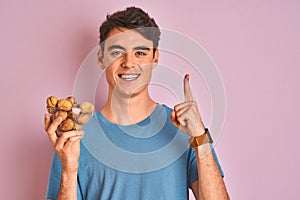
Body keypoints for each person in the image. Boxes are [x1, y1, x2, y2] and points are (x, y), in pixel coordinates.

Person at [44, 6, 229, 200]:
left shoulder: (185, 132)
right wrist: (69, 170)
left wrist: (200, 137)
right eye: (117, 52)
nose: (129, 63)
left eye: (140, 53)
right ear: (101, 58)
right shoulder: (74, 137)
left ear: (155, 58)